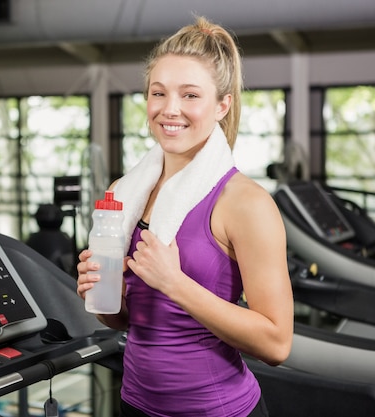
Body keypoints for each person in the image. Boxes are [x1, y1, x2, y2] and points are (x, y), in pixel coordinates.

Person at [76, 15, 293, 417]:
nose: (169, 109)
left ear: (222, 105)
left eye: (190, 95)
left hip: (218, 410)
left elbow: (277, 344)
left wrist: (175, 283)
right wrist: (102, 295)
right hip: (135, 404)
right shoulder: (124, 194)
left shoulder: (245, 203)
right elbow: (125, 321)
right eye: (158, 93)